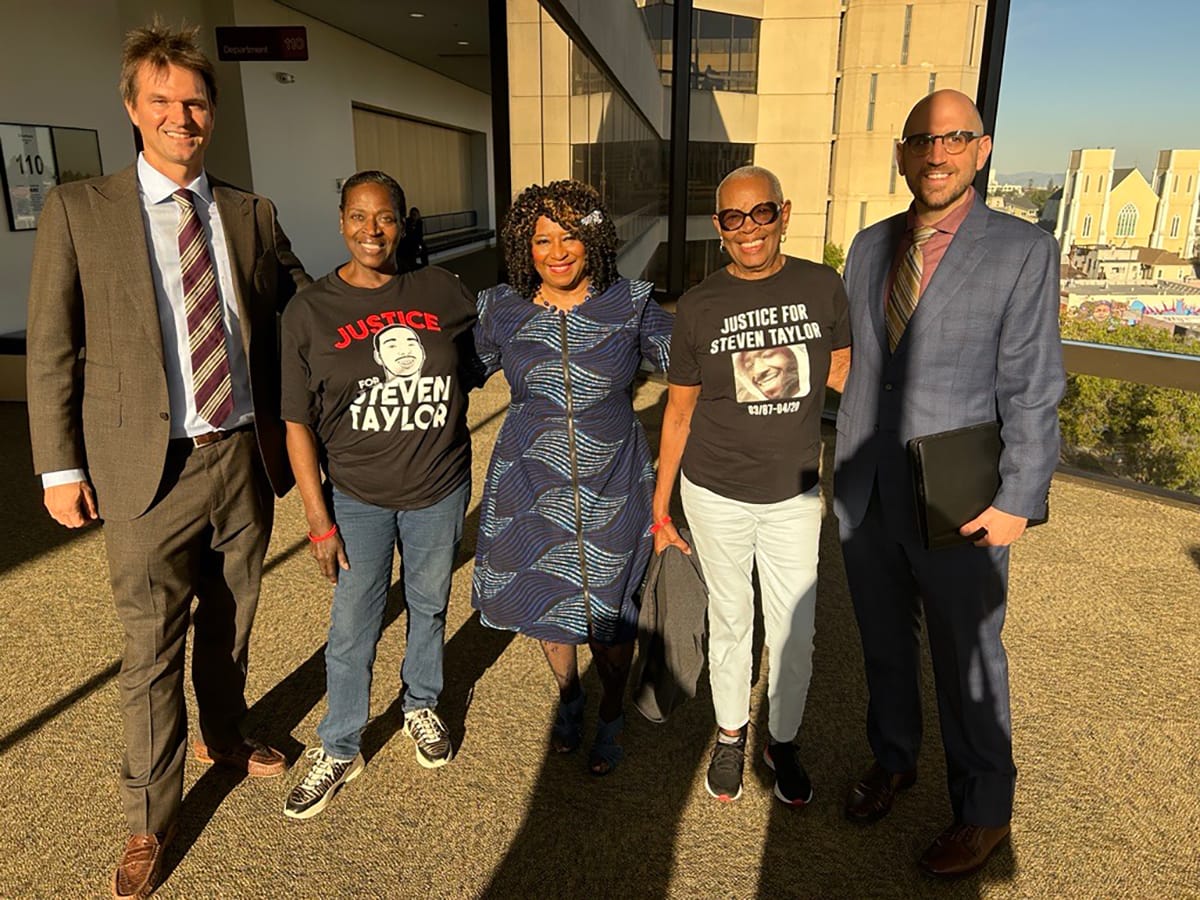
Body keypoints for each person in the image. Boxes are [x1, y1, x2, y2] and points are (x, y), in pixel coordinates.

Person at [24, 22, 309, 899]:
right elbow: (52, 347)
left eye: (195, 101)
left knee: (231, 622)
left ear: (212, 112)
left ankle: (225, 734)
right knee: (151, 647)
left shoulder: (251, 212)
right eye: (163, 101)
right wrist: (58, 467)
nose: (181, 116)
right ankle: (149, 816)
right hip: (144, 469)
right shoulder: (80, 210)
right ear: (132, 108)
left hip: (242, 457)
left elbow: (301, 311)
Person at [835, 90, 1064, 877]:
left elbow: (1032, 384)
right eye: (923, 140)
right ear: (902, 153)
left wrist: (1017, 500)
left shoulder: (1022, 250)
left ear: (982, 149)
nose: (938, 154)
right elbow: (864, 361)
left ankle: (984, 811)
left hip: (960, 499)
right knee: (884, 644)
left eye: (955, 138)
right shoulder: (868, 246)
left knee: (970, 658)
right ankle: (894, 758)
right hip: (867, 488)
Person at [279, 170, 478, 819]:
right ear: (341, 222)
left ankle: (421, 703)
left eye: (385, 216)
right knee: (353, 624)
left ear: (402, 222)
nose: (373, 229)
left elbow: (478, 360)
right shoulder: (310, 310)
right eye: (359, 217)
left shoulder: (442, 290)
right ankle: (340, 745)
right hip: (356, 498)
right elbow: (295, 423)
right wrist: (318, 519)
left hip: (438, 489)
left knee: (429, 604)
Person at [652, 165, 851, 805]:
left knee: (795, 630)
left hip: (795, 492)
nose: (749, 229)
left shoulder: (822, 286)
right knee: (732, 618)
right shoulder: (699, 304)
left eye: (761, 213)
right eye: (734, 218)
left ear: (783, 213)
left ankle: (782, 741)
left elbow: (844, 373)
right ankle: (732, 733)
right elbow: (678, 412)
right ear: (719, 227)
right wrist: (661, 508)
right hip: (714, 491)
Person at [473, 180, 672, 775]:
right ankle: (569, 697)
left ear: (594, 240)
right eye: (542, 240)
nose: (557, 252)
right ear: (525, 247)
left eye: (570, 237)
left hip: (615, 485)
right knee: (547, 600)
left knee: (613, 616)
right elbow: (452, 370)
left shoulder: (630, 302)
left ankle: (610, 711)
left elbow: (691, 363)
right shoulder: (501, 308)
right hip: (529, 484)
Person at [399, 206, 429, 271]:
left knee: (423, 249)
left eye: (415, 215)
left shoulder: (419, 222)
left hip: (416, 241)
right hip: (409, 241)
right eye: (412, 215)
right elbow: (408, 234)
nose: (414, 217)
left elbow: (420, 235)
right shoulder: (408, 222)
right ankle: (412, 265)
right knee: (411, 248)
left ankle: (425, 266)